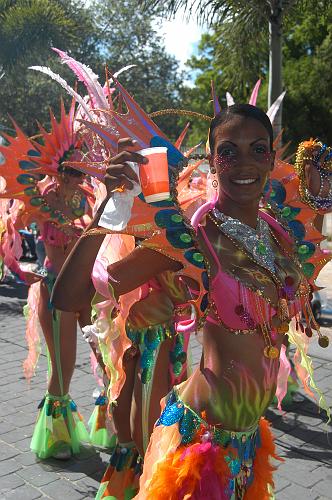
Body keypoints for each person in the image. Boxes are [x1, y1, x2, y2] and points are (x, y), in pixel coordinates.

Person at [54, 98, 331, 498]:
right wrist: (109, 210)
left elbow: (301, 284)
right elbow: (69, 296)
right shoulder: (191, 240)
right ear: (213, 162)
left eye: (257, 149)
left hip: (249, 437)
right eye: (228, 151)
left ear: (270, 161)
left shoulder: (279, 235)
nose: (244, 163)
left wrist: (320, 200)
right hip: (202, 444)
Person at [0, 106, 94, 460]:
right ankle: (55, 435)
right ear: (57, 168)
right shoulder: (45, 198)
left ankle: (98, 417)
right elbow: (18, 217)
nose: (74, 176)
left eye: (79, 169)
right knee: (63, 364)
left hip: (82, 289)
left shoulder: (83, 198)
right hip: (55, 288)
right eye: (68, 169)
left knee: (100, 356)